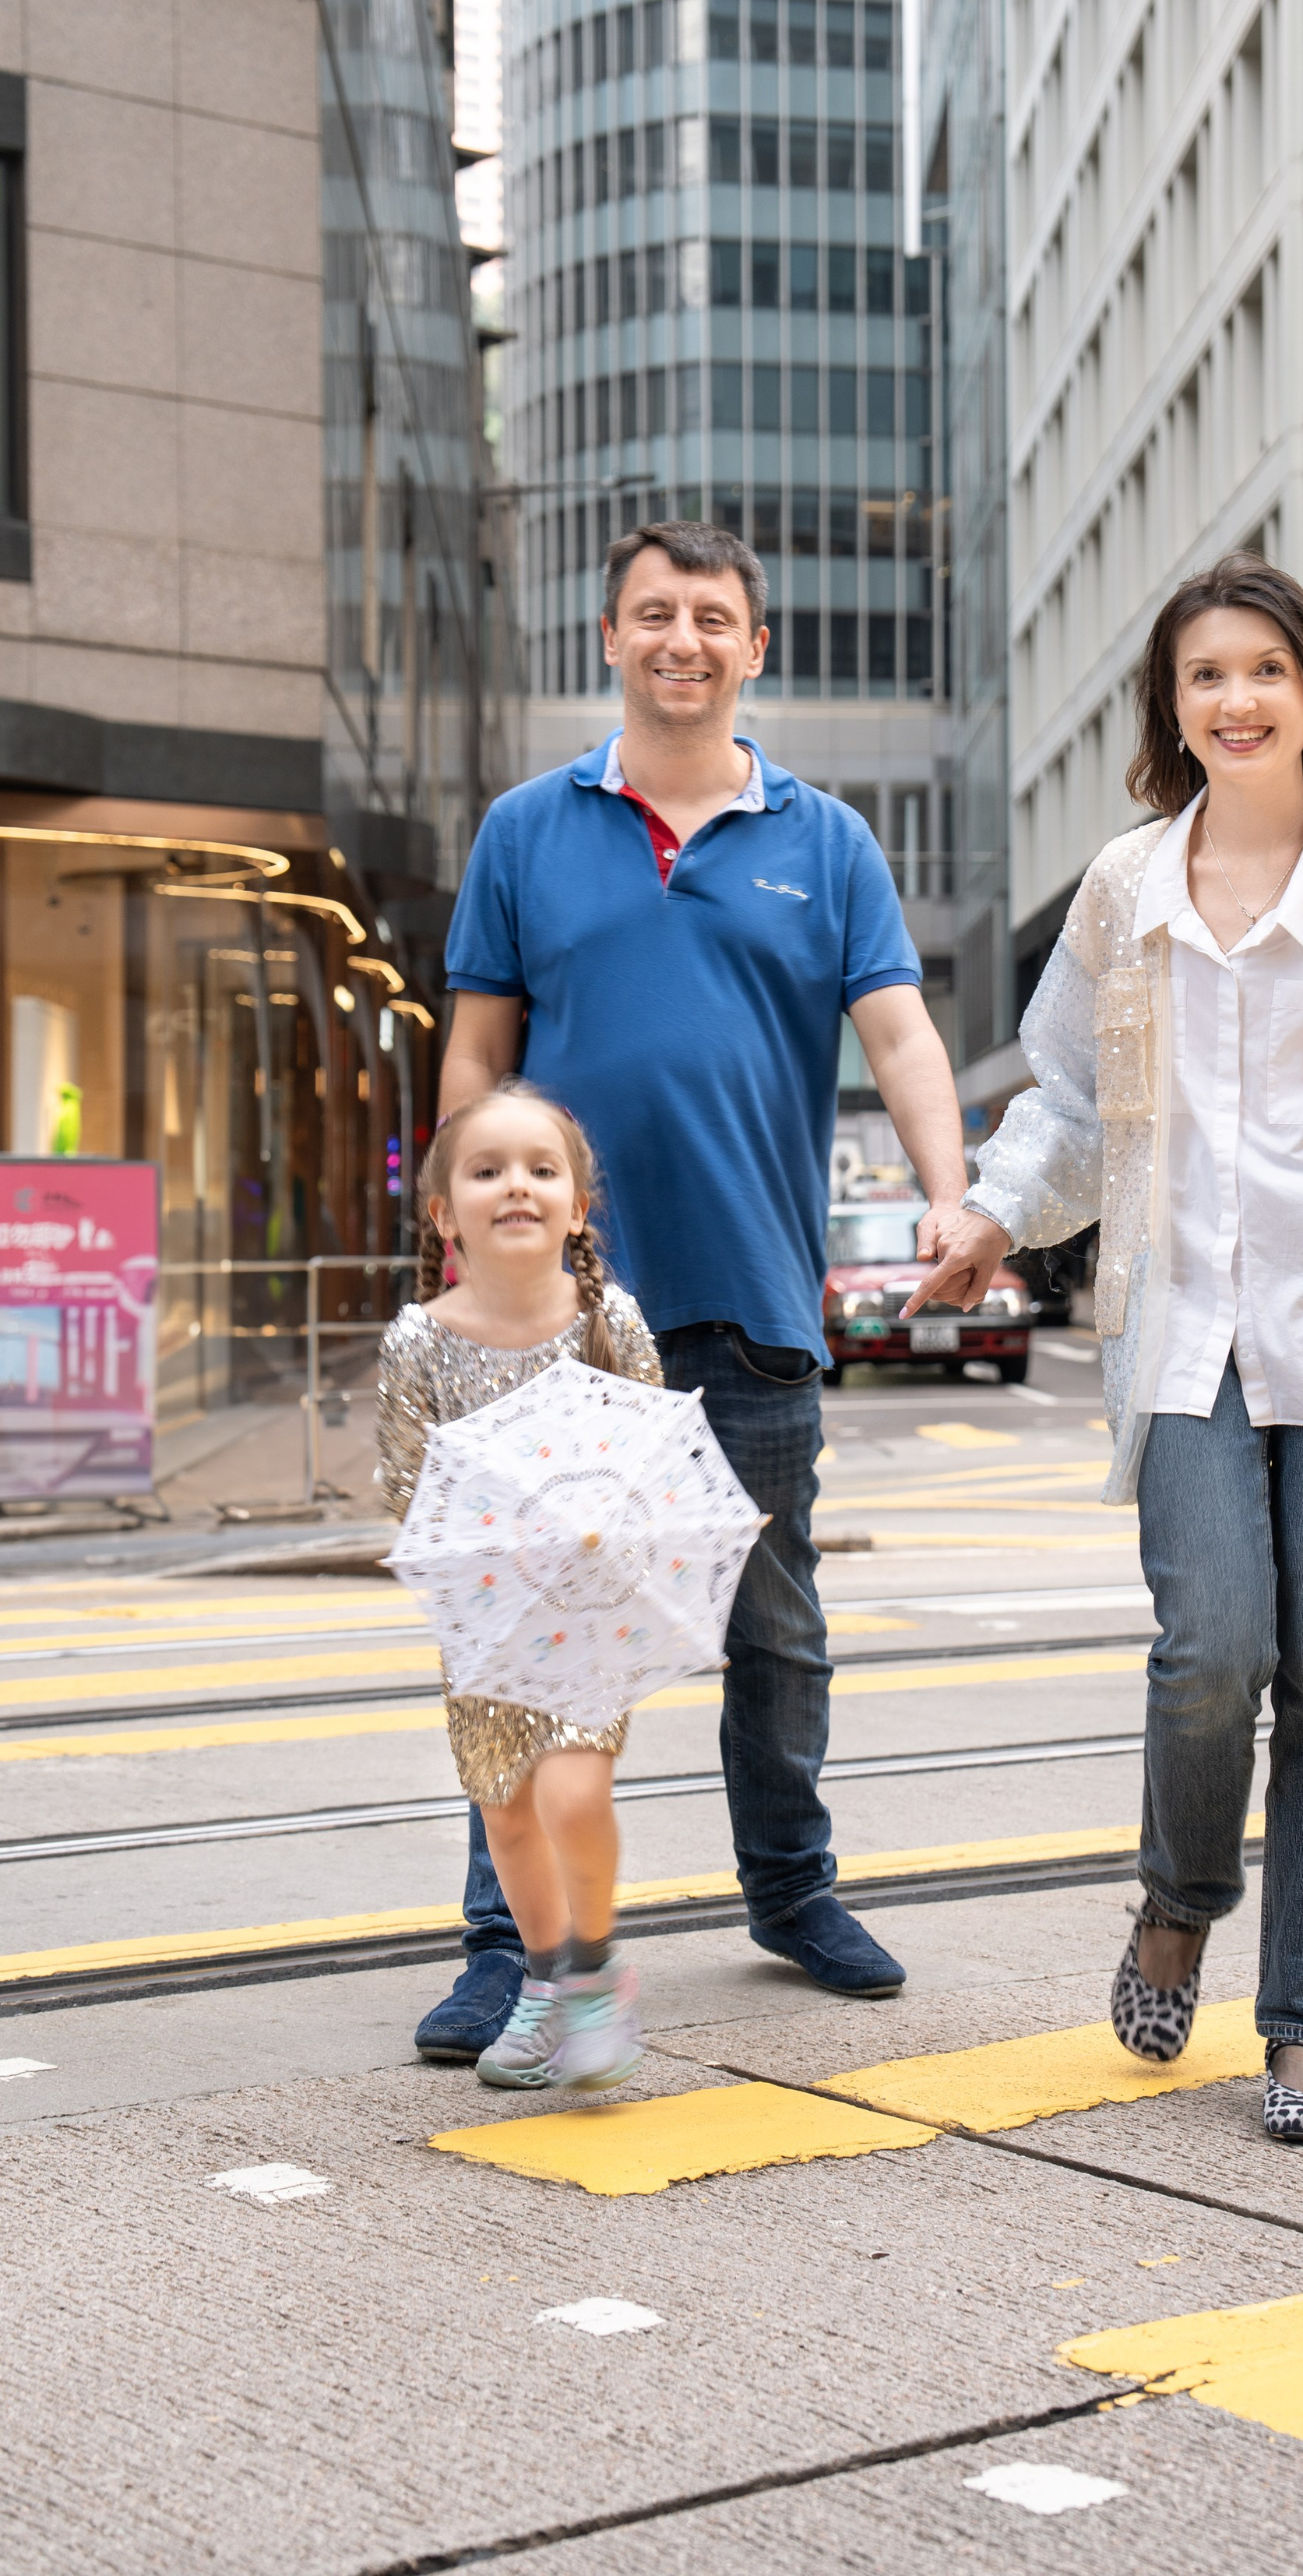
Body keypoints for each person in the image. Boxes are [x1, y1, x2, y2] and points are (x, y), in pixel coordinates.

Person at [913, 557, 1303, 2146]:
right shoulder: (1126, 890)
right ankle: (1178, 1900)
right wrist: (992, 1217)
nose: (1237, 698)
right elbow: (1063, 1098)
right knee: (1211, 1655)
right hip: (1186, 1333)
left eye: (1265, 669)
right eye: (1206, 675)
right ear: (1173, 709)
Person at [412, 522, 971, 2060]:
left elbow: (904, 1038)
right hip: (555, 1313)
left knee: (773, 1633)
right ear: (610, 637)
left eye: (710, 618)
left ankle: (790, 1894)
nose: (681, 639)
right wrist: (460, 1216)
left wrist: (947, 1190)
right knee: (524, 1639)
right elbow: (476, 1049)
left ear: (751, 648)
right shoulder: (530, 828)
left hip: (748, 1294)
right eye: (654, 614)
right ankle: (504, 1946)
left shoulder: (827, 839)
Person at [379, 1080, 658, 2091]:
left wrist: (604, 1524)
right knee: (505, 1814)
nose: (517, 1187)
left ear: (578, 1204)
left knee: (575, 1795)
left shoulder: (606, 1322)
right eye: (488, 1170)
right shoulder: (420, 1339)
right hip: (484, 1620)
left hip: (586, 1618)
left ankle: (593, 1971)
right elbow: (405, 1476)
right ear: (444, 1211)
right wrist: (478, 1539)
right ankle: (543, 1979)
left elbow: (651, 1452)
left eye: (543, 1169)